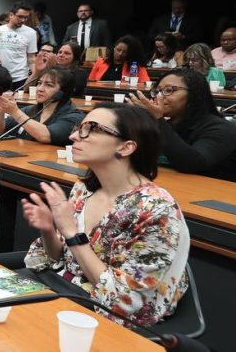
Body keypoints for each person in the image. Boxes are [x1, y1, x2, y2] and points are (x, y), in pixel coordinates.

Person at [22, 104, 190, 327]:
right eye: (78, 128)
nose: (74, 136)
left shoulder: (156, 209)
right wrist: (48, 231)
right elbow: (62, 258)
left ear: (126, 146)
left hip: (108, 316)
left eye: (90, 129)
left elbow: (127, 303)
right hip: (65, 289)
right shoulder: (84, 189)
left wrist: (71, 232)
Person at [129, 68, 236, 181]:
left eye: (169, 90)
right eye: (157, 91)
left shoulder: (221, 129)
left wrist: (157, 119)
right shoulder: (167, 124)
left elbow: (192, 164)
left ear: (194, 94)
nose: (159, 96)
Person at [0, 67, 85, 147]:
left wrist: (15, 112)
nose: (40, 89)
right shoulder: (30, 110)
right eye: (39, 83)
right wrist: (0, 112)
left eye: (49, 85)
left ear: (63, 91)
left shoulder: (74, 117)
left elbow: (45, 136)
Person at [0, 2, 38, 89]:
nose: (23, 20)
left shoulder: (31, 33)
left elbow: (31, 57)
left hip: (20, 78)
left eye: (26, 17)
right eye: (20, 17)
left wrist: (35, 74)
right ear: (11, 15)